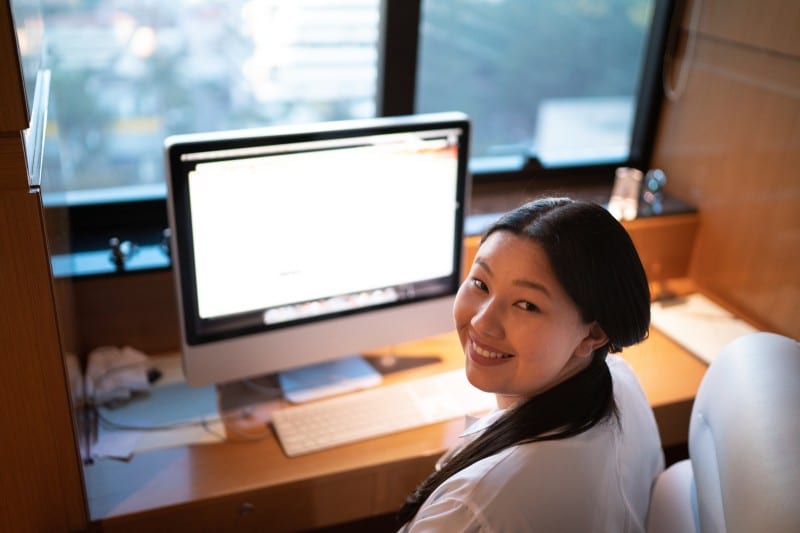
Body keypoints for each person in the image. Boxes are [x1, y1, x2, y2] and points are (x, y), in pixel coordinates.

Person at [397, 197, 664, 532]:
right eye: (481, 284)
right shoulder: (620, 381)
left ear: (592, 334)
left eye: (526, 305)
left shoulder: (473, 507)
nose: (483, 323)